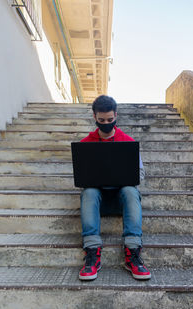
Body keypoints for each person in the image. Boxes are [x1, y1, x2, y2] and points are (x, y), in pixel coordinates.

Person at [78, 95, 151, 280]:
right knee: (89, 192)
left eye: (110, 120)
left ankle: (133, 251)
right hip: (97, 201)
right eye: (101, 120)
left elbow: (140, 174)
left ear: (116, 115)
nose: (106, 123)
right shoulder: (85, 145)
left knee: (130, 190)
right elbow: (80, 176)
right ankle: (92, 253)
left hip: (122, 200)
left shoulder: (127, 141)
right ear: (94, 117)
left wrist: (124, 177)